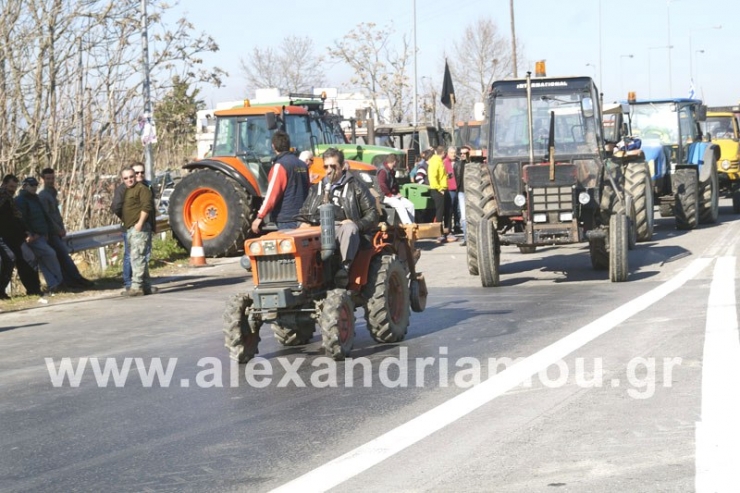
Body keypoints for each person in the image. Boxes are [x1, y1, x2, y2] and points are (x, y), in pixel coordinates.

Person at [295, 148, 379, 288]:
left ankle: (344, 269)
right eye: (326, 166)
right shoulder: (317, 189)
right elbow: (304, 211)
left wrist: (356, 224)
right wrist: (303, 223)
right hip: (320, 229)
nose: (329, 170)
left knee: (349, 228)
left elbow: (373, 214)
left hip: (344, 229)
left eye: (333, 166)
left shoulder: (356, 187)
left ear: (342, 166)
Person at [38, 168, 94, 288]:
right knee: (63, 256)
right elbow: (47, 216)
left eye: (52, 178)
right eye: (48, 178)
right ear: (42, 179)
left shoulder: (52, 193)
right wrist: (57, 229)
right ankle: (75, 279)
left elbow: (56, 214)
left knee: (62, 256)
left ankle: (71, 280)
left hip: (57, 231)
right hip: (52, 232)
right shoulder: (43, 195)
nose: (50, 181)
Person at [15, 177, 66, 293]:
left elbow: (44, 216)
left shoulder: (35, 198)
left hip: (42, 235)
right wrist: (31, 233)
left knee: (44, 260)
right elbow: (23, 219)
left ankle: (54, 285)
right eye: (31, 185)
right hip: (34, 236)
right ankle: (59, 282)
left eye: (35, 185)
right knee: (50, 254)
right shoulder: (21, 200)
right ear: (24, 186)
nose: (34, 187)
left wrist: (47, 231)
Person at [251, 131, 310, 233]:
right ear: (288, 145)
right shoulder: (302, 165)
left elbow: (272, 195)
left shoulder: (280, 166)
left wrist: (260, 217)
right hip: (303, 217)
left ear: (273, 146)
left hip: (287, 219)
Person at [111, 162, 155, 291]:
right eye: (126, 178)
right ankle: (146, 286)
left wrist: (140, 223)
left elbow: (147, 207)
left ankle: (135, 287)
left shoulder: (142, 189)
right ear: (122, 179)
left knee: (137, 258)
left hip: (139, 228)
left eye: (131, 176)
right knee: (138, 257)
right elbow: (117, 207)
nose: (129, 179)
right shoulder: (126, 190)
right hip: (130, 228)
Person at [0, 175, 42, 296]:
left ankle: (34, 289)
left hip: (16, 236)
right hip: (4, 237)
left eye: (14, 187)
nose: (12, 189)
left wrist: (26, 231)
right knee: (10, 260)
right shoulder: (4, 198)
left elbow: (17, 218)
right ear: (4, 184)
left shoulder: (11, 200)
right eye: (10, 186)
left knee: (29, 259)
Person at [377, 154, 415, 224]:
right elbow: (381, 184)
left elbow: (394, 184)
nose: (396, 164)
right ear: (394, 162)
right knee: (399, 205)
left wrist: (397, 192)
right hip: (383, 195)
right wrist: (389, 194)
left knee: (410, 205)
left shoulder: (391, 170)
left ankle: (412, 223)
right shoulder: (383, 171)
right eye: (396, 162)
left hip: (392, 194)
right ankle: (408, 225)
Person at [428, 145, 456, 243]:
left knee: (448, 210)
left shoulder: (438, 161)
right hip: (438, 190)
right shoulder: (435, 161)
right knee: (440, 212)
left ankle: (448, 232)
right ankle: (439, 234)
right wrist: (439, 189)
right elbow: (433, 177)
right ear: (443, 153)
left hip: (444, 188)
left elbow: (439, 175)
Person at [455, 146, 471, 246]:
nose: (462, 155)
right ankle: (466, 238)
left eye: (465, 153)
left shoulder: (473, 165)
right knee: (464, 216)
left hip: (471, 192)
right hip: (461, 192)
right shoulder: (458, 164)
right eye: (461, 153)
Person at [443, 146, 461, 234]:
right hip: (450, 189)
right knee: (450, 208)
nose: (453, 154)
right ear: (448, 153)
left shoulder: (459, 162)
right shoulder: (445, 162)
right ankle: (448, 227)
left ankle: (457, 226)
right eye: (452, 153)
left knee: (458, 209)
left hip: (458, 188)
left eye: (454, 153)